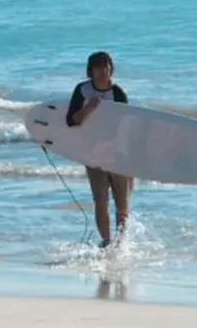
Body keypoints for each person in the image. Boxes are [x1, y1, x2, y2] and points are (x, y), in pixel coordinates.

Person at [65, 51, 133, 249]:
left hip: (118, 155)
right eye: (99, 68)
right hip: (93, 154)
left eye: (107, 67)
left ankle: (121, 245)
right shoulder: (82, 90)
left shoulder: (118, 93)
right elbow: (71, 121)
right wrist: (88, 109)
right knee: (100, 201)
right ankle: (106, 242)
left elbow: (127, 126)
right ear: (91, 71)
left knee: (122, 206)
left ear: (111, 69)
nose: (103, 71)